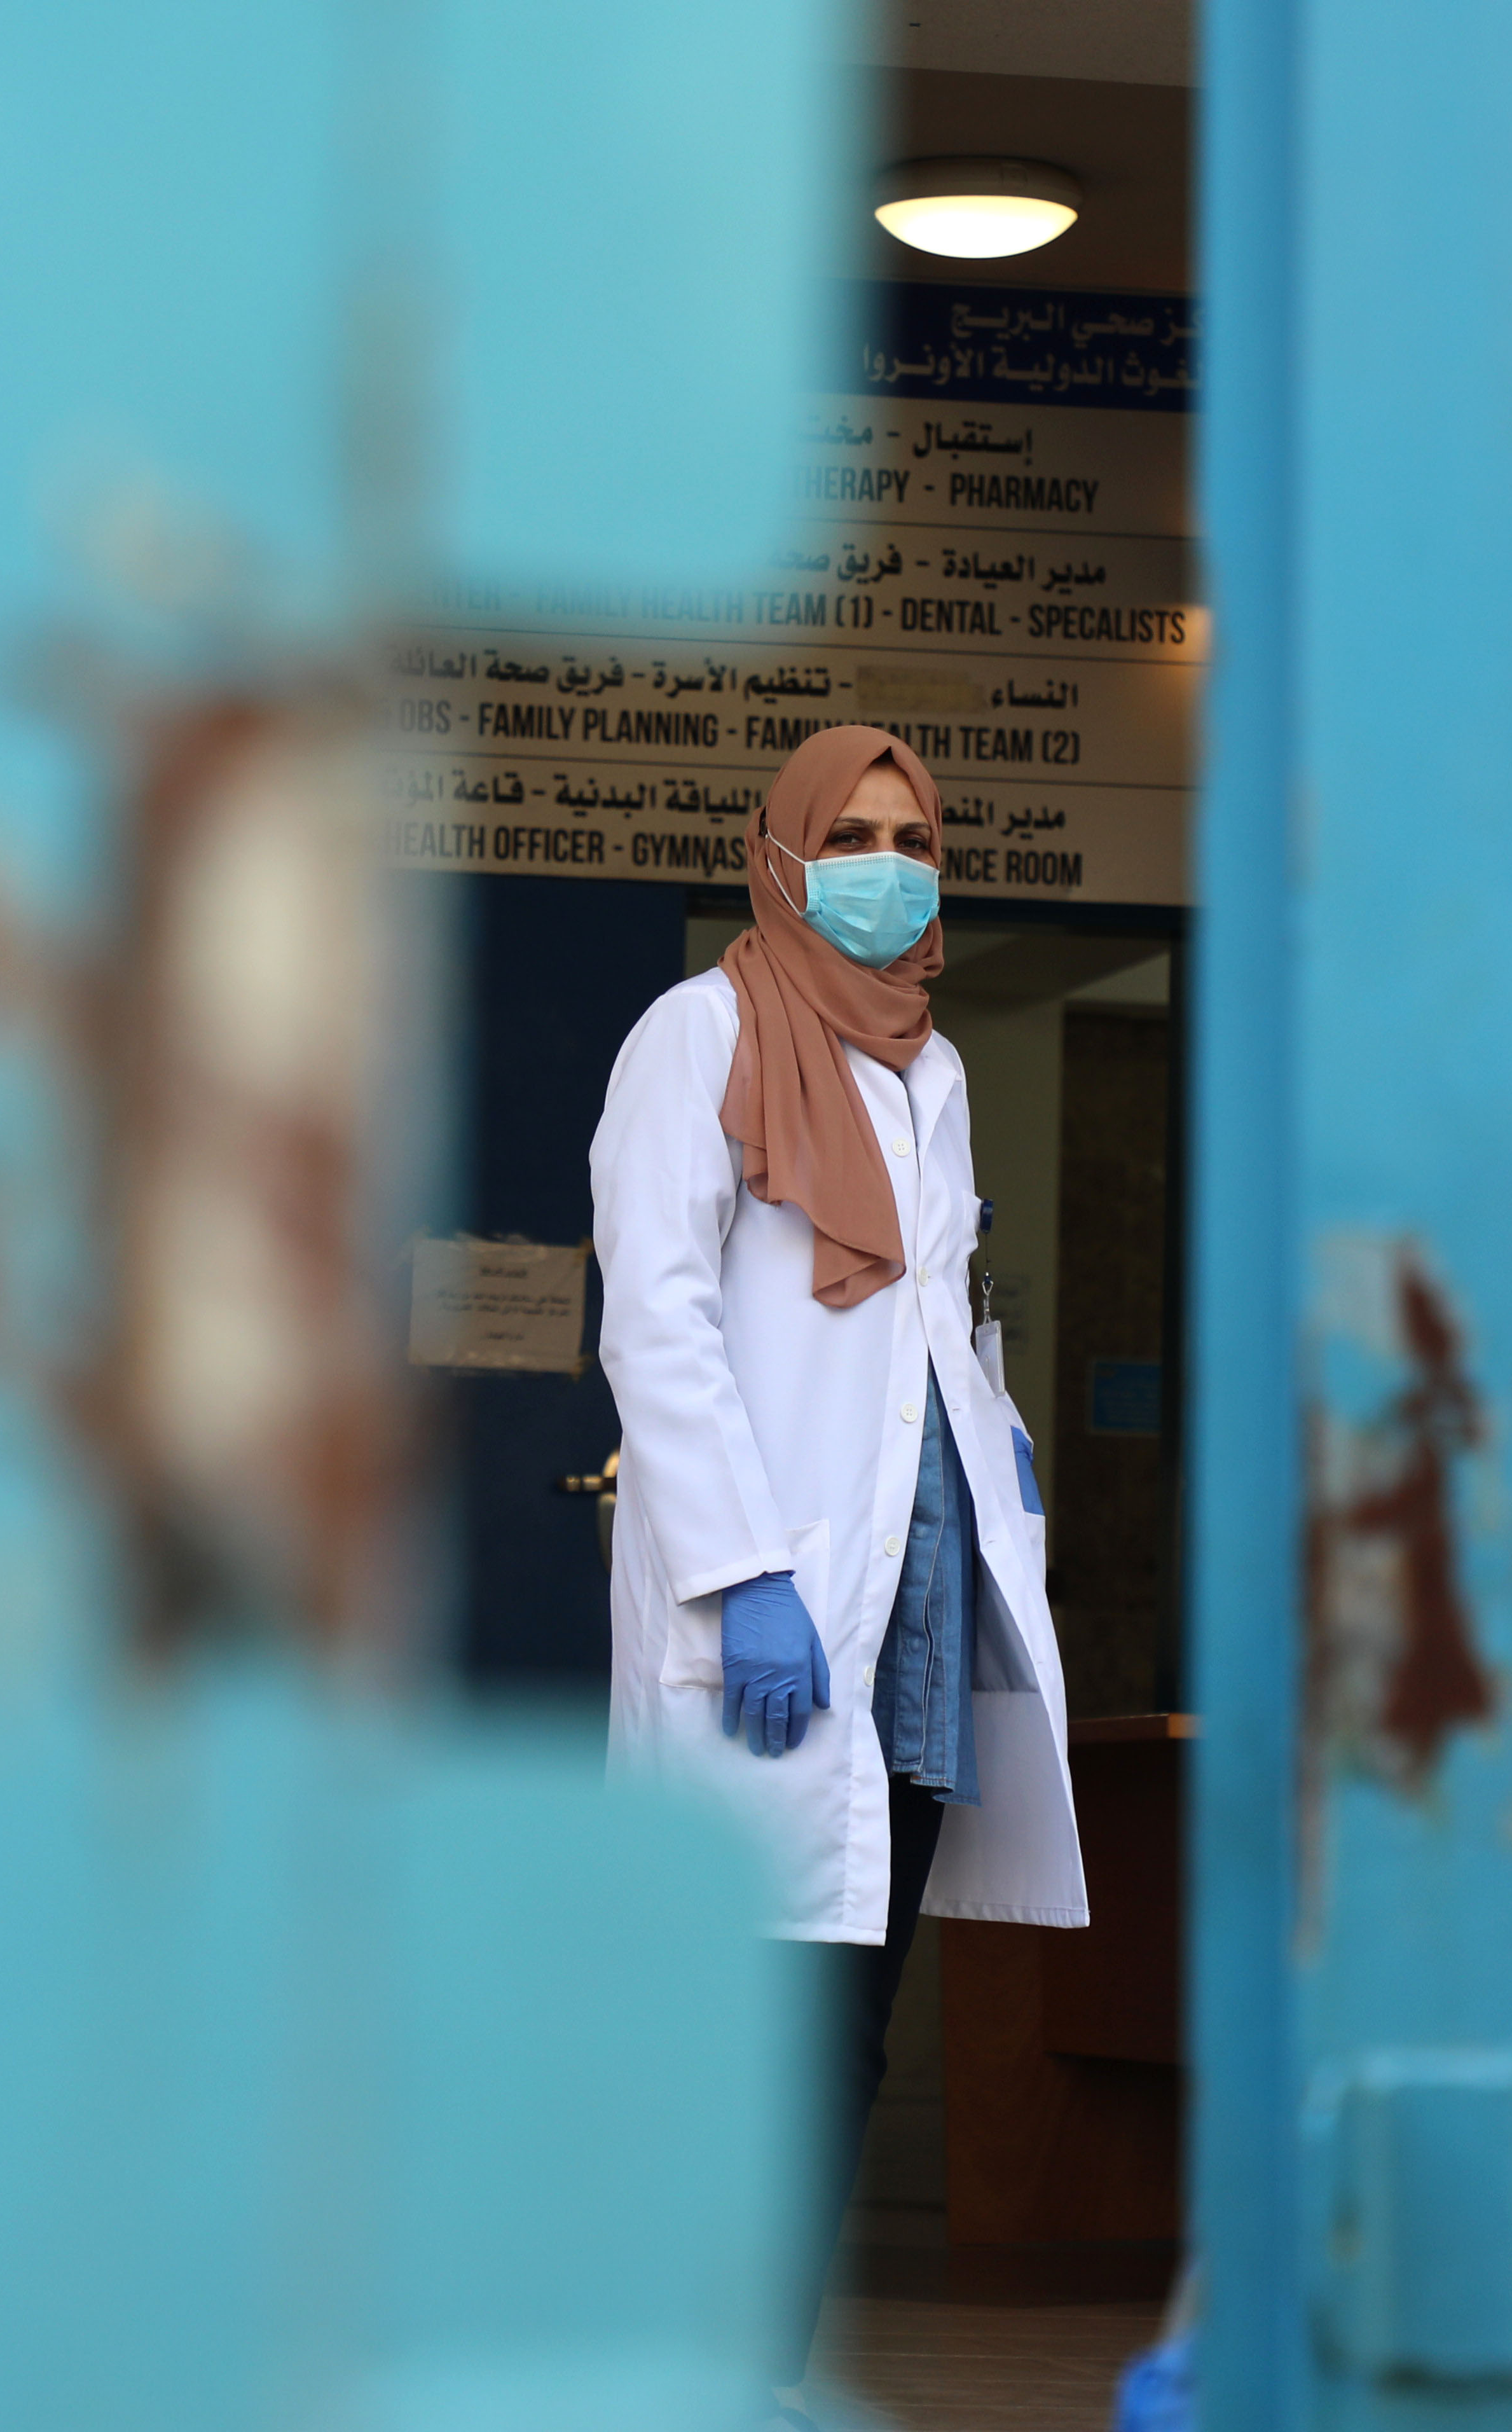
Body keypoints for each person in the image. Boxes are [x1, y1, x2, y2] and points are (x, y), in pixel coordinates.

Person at [588, 725, 1087, 2419]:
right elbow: (651, 1316)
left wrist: (997, 1430)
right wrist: (740, 1573)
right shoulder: (701, 1034)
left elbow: (929, 1317)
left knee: (842, 2041)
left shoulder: (928, 1072)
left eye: (913, 834)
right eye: (855, 833)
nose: (889, 864)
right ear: (788, 854)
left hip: (914, 1621)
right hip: (777, 1620)